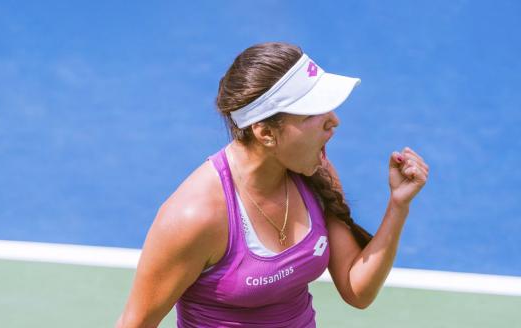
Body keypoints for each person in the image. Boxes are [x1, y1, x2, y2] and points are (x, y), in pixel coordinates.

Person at [116, 42, 429, 327]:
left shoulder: (315, 173)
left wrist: (398, 205)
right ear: (265, 133)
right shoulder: (195, 217)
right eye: (313, 112)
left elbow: (356, 289)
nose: (334, 120)